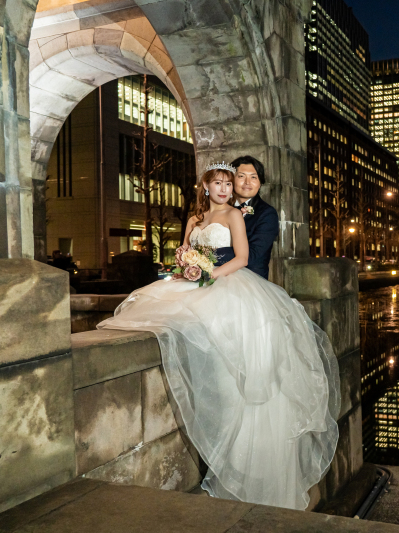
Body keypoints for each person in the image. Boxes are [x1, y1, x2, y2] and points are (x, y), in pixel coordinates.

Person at [97, 162, 340, 511]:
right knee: (156, 311)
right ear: (206, 188)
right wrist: (186, 269)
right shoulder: (194, 219)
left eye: (230, 183)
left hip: (228, 281)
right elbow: (183, 253)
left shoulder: (235, 217)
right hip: (198, 278)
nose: (226, 189)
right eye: (221, 183)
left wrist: (208, 275)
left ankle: (246, 463)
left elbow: (242, 258)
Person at [214, 155, 278, 280]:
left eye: (253, 177)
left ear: (260, 183)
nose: (247, 182)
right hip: (214, 279)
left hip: (250, 283)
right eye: (241, 176)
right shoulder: (220, 209)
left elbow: (253, 256)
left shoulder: (267, 213)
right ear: (231, 179)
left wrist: (208, 255)